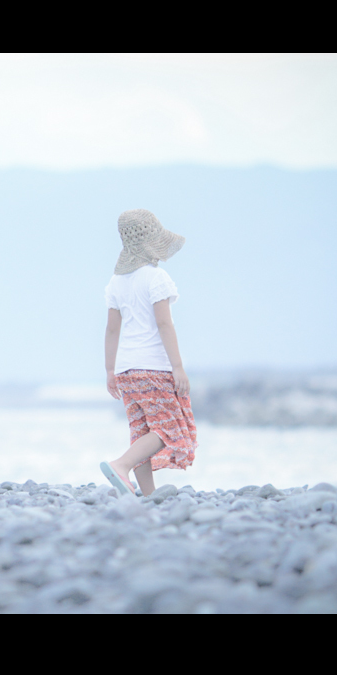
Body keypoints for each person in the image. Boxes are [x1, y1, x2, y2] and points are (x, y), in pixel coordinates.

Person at [99, 209, 197, 497]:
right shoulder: (156, 278)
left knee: (141, 431)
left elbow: (111, 330)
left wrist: (109, 370)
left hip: (127, 369)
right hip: (154, 366)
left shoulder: (116, 282)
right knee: (170, 430)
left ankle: (148, 494)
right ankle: (121, 464)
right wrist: (177, 367)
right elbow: (164, 322)